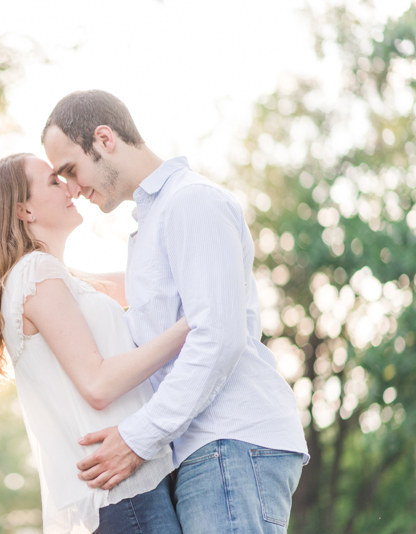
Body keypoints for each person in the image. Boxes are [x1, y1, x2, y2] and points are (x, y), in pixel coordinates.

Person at [41, 90, 309, 534]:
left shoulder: (191, 202)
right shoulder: (152, 224)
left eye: (70, 169)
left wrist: (138, 437)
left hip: (230, 441)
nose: (72, 188)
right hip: (203, 449)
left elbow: (217, 336)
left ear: (104, 139)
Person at [0, 153, 191, 534]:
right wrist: (193, 324)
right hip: (126, 492)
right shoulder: (36, 274)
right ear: (24, 210)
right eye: (53, 181)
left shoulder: (56, 277)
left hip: (129, 489)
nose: (69, 186)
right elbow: (98, 384)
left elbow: (147, 280)